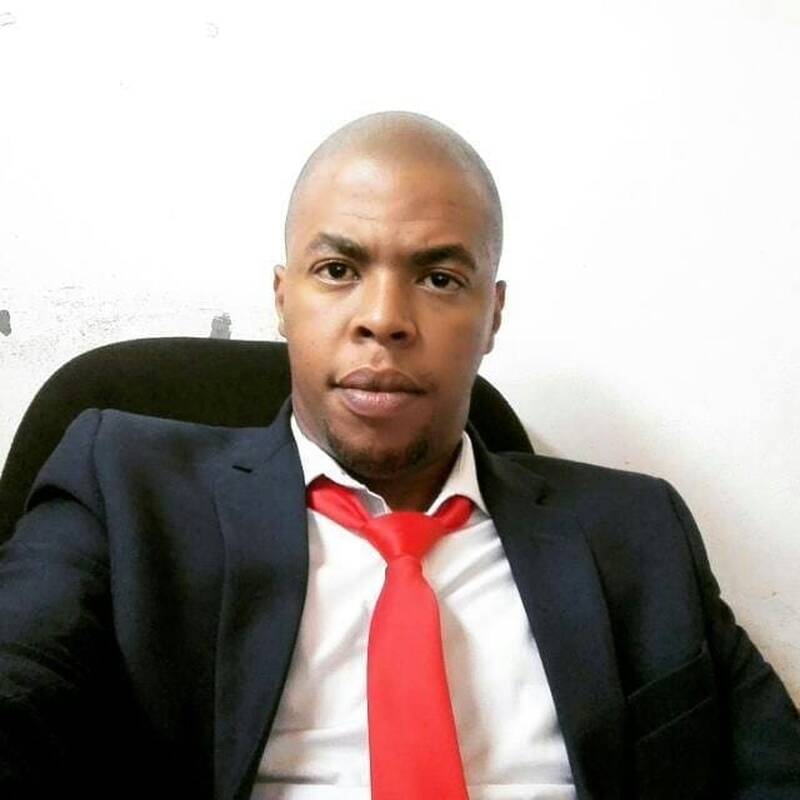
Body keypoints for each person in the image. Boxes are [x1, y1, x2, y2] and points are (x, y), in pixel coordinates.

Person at [0, 111, 798, 800]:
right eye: (337, 270)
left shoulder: (637, 530)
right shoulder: (124, 484)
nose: (384, 319)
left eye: (441, 278)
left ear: (493, 315)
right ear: (282, 297)